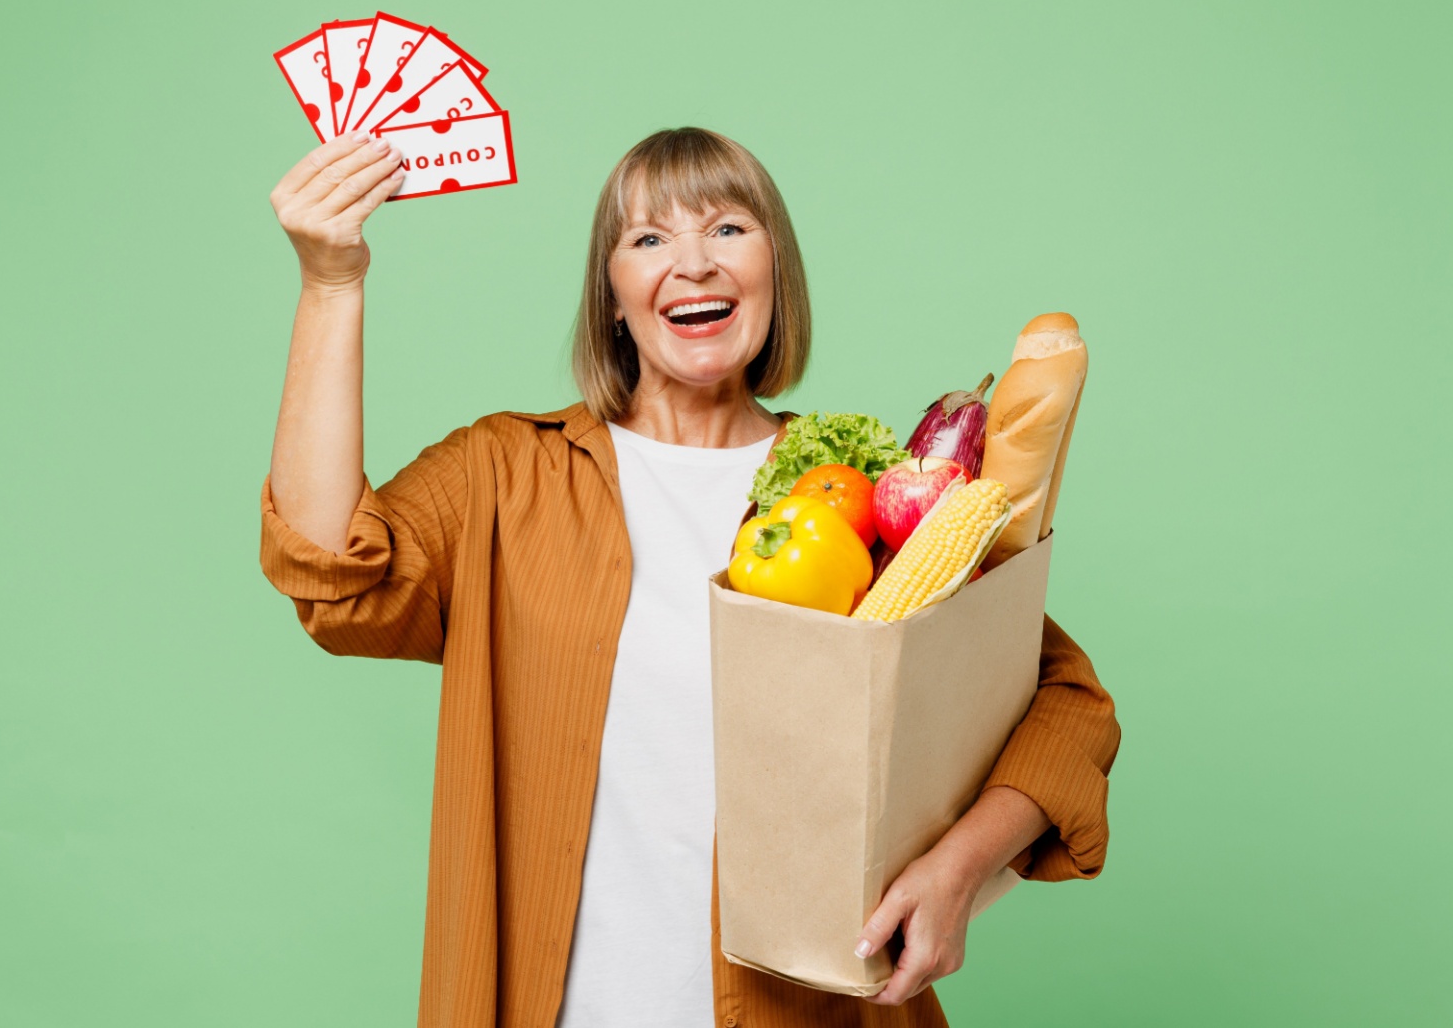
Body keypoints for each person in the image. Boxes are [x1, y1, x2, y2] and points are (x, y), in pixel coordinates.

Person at [261, 126, 1120, 1027]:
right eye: (648, 239)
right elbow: (330, 572)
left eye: (728, 230)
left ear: (774, 272)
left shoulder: (862, 491)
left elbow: (1064, 704)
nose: (694, 264)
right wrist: (331, 281)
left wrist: (955, 872)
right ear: (615, 298)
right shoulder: (506, 476)